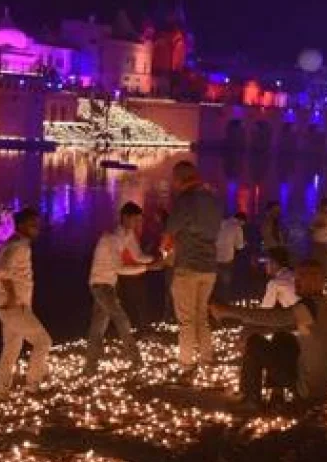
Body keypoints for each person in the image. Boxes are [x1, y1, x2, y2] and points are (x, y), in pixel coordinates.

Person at [210, 259, 327, 411]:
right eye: (296, 276)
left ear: (317, 280)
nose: (296, 281)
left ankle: (250, 399)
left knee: (254, 342)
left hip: (310, 388)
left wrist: (227, 311)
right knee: (283, 337)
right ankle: (277, 396)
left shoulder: (309, 306)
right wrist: (254, 329)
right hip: (325, 385)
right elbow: (283, 324)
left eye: (302, 276)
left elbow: (272, 317)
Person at [165, 161, 222, 379]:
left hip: (188, 266)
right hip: (209, 268)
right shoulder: (213, 200)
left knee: (186, 320)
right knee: (201, 317)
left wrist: (164, 252)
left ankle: (186, 365)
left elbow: (170, 231)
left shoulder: (185, 200)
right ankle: (207, 360)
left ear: (179, 178)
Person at [86, 202, 155, 374]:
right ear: (125, 217)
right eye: (135, 220)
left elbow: (138, 256)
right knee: (121, 319)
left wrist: (156, 259)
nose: (137, 224)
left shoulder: (128, 235)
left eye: (139, 220)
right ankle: (135, 359)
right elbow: (120, 268)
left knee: (98, 326)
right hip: (100, 284)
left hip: (109, 284)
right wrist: (148, 268)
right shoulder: (109, 239)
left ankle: (90, 366)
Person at [0, 208, 51, 396]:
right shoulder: (19, 247)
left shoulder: (13, 243)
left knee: (11, 348)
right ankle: (33, 385)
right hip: (14, 307)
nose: (37, 229)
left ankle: (1, 391)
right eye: (33, 225)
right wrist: (11, 297)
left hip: (8, 305)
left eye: (37, 225)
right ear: (22, 225)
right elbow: (2, 272)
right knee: (43, 342)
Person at [214, 211, 246, 301]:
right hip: (226, 258)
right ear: (242, 221)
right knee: (225, 285)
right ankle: (224, 304)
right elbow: (239, 246)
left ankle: (213, 303)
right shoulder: (237, 227)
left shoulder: (221, 222)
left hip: (214, 257)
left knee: (214, 283)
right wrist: (244, 243)